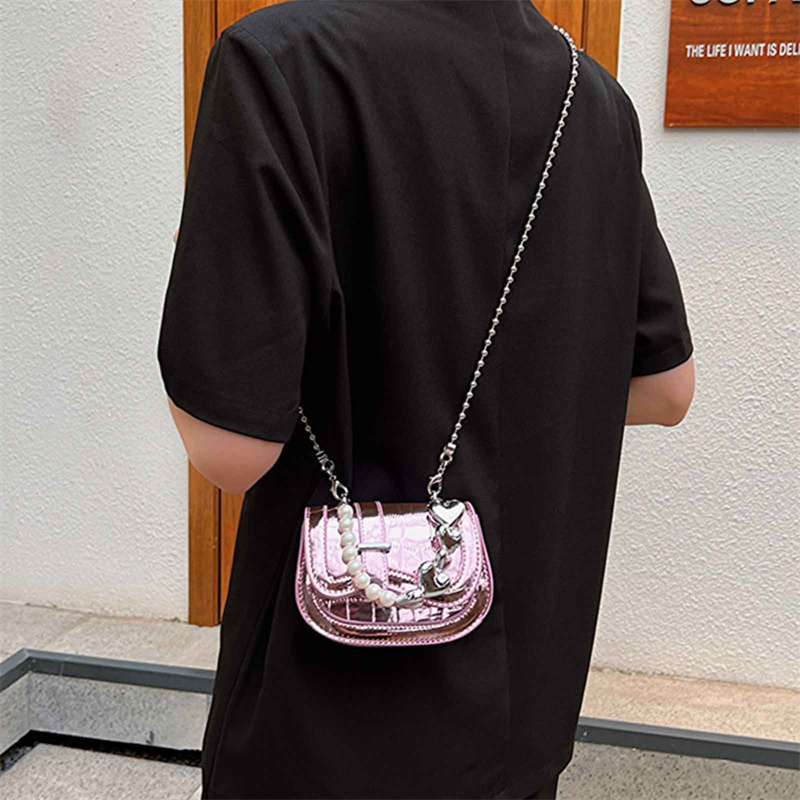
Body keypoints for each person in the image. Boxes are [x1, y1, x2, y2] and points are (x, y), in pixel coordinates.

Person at [157, 2, 695, 798]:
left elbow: (230, 450)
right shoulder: (595, 101)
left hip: (327, 725)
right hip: (522, 723)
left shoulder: (280, 62)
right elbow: (664, 388)